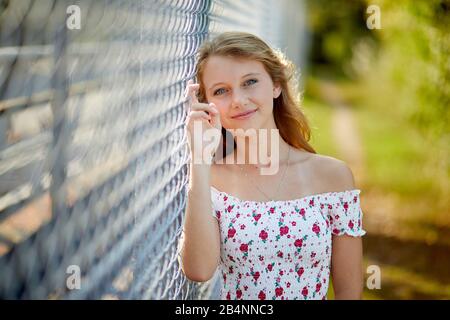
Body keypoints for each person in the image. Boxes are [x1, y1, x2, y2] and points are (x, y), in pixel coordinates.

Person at [180, 31, 366, 300]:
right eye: (221, 90)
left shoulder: (333, 177)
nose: (238, 100)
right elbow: (198, 270)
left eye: (250, 82)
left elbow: (349, 293)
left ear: (276, 85)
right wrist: (199, 159)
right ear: (206, 104)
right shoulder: (209, 180)